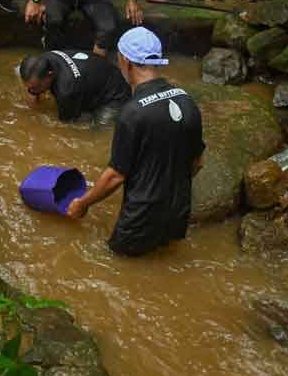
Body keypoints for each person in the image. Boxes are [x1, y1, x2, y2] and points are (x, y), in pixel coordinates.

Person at [66, 27, 205, 257]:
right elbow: (197, 162)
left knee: (115, 266)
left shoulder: (132, 113)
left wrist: (83, 203)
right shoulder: (186, 100)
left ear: (125, 61)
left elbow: (115, 176)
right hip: (177, 214)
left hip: (140, 218)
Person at [18, 49, 130, 125]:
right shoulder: (45, 58)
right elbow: (33, 88)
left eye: (35, 87)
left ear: (50, 75)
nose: (31, 91)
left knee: (95, 125)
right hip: (102, 71)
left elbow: (64, 125)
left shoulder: (66, 91)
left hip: (115, 95)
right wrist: (33, 102)